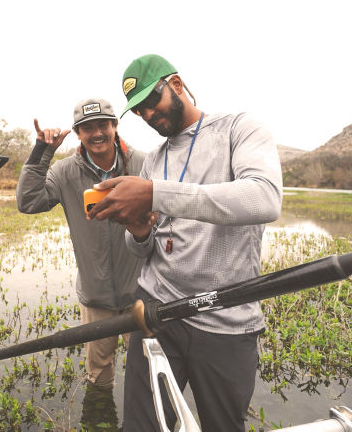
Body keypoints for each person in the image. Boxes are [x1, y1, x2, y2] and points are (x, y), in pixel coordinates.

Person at [87, 54, 283, 432]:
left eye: (151, 101)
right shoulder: (154, 159)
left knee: (223, 426)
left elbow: (264, 199)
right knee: (142, 426)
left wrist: (155, 193)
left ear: (176, 84)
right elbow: (144, 249)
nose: (147, 114)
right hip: (157, 315)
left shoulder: (239, 129)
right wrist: (138, 230)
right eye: (139, 110)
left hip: (225, 321)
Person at [16, 98, 146, 389]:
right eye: (87, 128)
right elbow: (28, 202)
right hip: (95, 297)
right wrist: (42, 151)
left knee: (149, 372)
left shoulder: (143, 164)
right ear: (77, 133)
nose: (96, 133)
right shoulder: (64, 172)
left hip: (141, 294)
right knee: (99, 377)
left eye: (103, 124)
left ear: (115, 126)